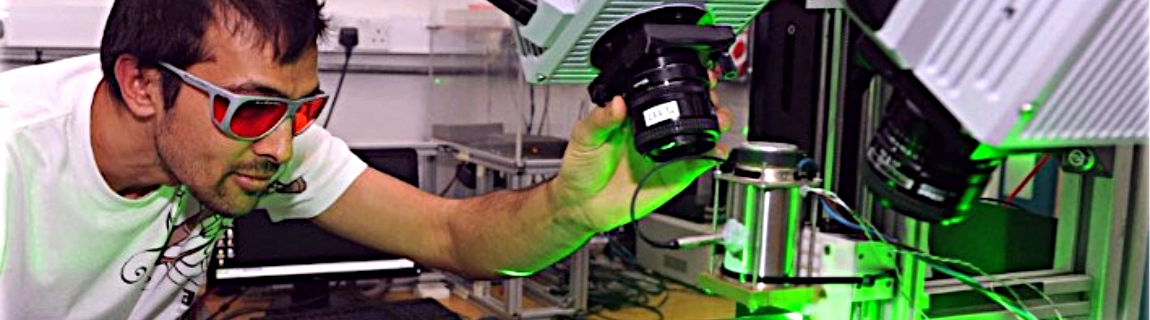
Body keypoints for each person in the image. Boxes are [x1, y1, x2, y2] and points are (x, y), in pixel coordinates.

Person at [0, 0, 731, 319]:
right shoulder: (14, 159)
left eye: (303, 109)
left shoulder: (266, 143)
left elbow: (450, 237)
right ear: (140, 84)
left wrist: (570, 210)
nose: (282, 148)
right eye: (250, 110)